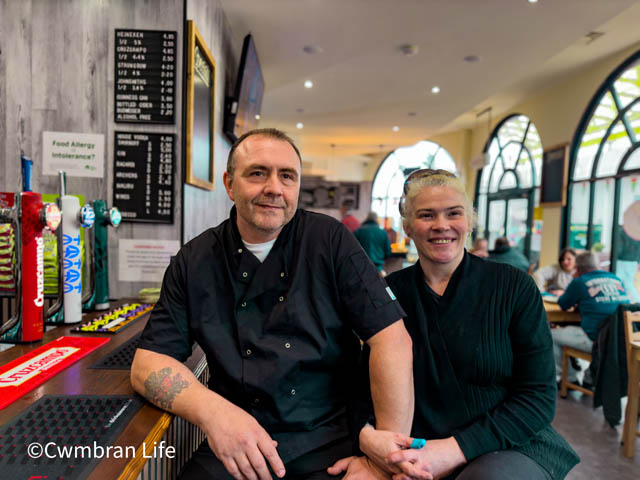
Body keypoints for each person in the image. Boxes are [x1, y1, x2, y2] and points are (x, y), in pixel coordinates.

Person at [131, 128, 414, 480]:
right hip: (238, 438)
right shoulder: (195, 260)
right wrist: (215, 413)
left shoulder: (330, 241)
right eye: (257, 173)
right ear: (230, 184)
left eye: (287, 176)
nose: (274, 189)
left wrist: (383, 460)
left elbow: (391, 339)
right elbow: (147, 364)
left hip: (330, 440)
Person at [331, 169, 578, 480]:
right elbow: (359, 387)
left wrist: (452, 450)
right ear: (406, 227)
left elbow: (538, 398)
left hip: (507, 443)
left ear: (470, 221)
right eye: (426, 215)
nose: (441, 225)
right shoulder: (388, 293)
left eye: (453, 213)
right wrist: (370, 443)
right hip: (416, 448)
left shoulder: (513, 287)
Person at [554, 252, 630, 384]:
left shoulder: (580, 281)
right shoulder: (616, 279)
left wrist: (575, 282)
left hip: (596, 340)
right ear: (598, 265)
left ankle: (570, 379)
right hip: (620, 341)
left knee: (551, 335)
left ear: (577, 268)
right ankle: (589, 377)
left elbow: (563, 304)